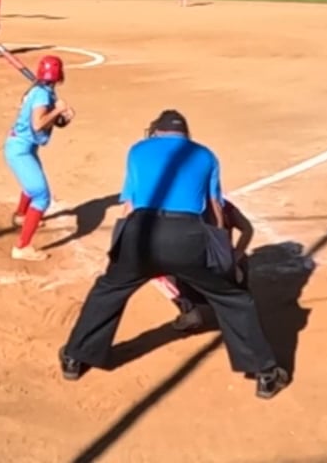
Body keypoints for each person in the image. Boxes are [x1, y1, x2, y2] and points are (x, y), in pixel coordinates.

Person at [59, 109, 290, 399]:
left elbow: (129, 206)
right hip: (187, 235)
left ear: (157, 131)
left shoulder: (137, 151)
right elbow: (216, 210)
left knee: (109, 290)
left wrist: (121, 250)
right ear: (185, 134)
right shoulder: (205, 155)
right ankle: (265, 374)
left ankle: (75, 357)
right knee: (234, 299)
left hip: (140, 233)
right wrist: (222, 254)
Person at [4, 54, 72, 261]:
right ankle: (22, 247)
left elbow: (46, 121)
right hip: (20, 150)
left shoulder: (40, 91)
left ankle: (21, 216)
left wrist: (62, 117)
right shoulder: (42, 94)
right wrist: (58, 110)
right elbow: (37, 124)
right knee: (41, 196)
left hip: (23, 146)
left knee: (32, 184)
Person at [154, 197, 254, 333]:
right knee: (241, 257)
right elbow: (248, 229)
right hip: (231, 275)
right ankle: (237, 301)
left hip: (199, 282)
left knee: (157, 267)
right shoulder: (223, 205)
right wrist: (235, 257)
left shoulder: (178, 209)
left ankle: (189, 310)